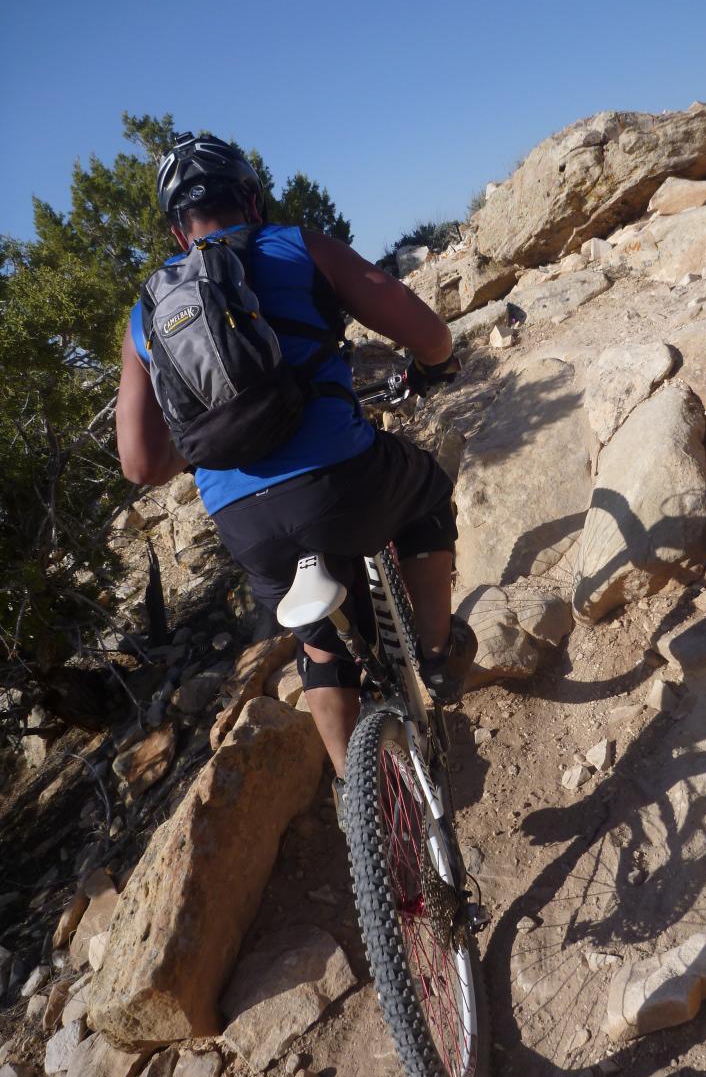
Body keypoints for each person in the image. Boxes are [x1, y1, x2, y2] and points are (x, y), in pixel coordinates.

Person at [116, 133, 476, 806]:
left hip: (243, 518)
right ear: (252, 199)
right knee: (426, 488)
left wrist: (201, 446)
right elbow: (429, 334)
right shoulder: (296, 244)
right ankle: (437, 653)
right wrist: (435, 365)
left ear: (174, 228)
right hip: (341, 479)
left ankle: (359, 801)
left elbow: (140, 463)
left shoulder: (147, 312)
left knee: (319, 636)